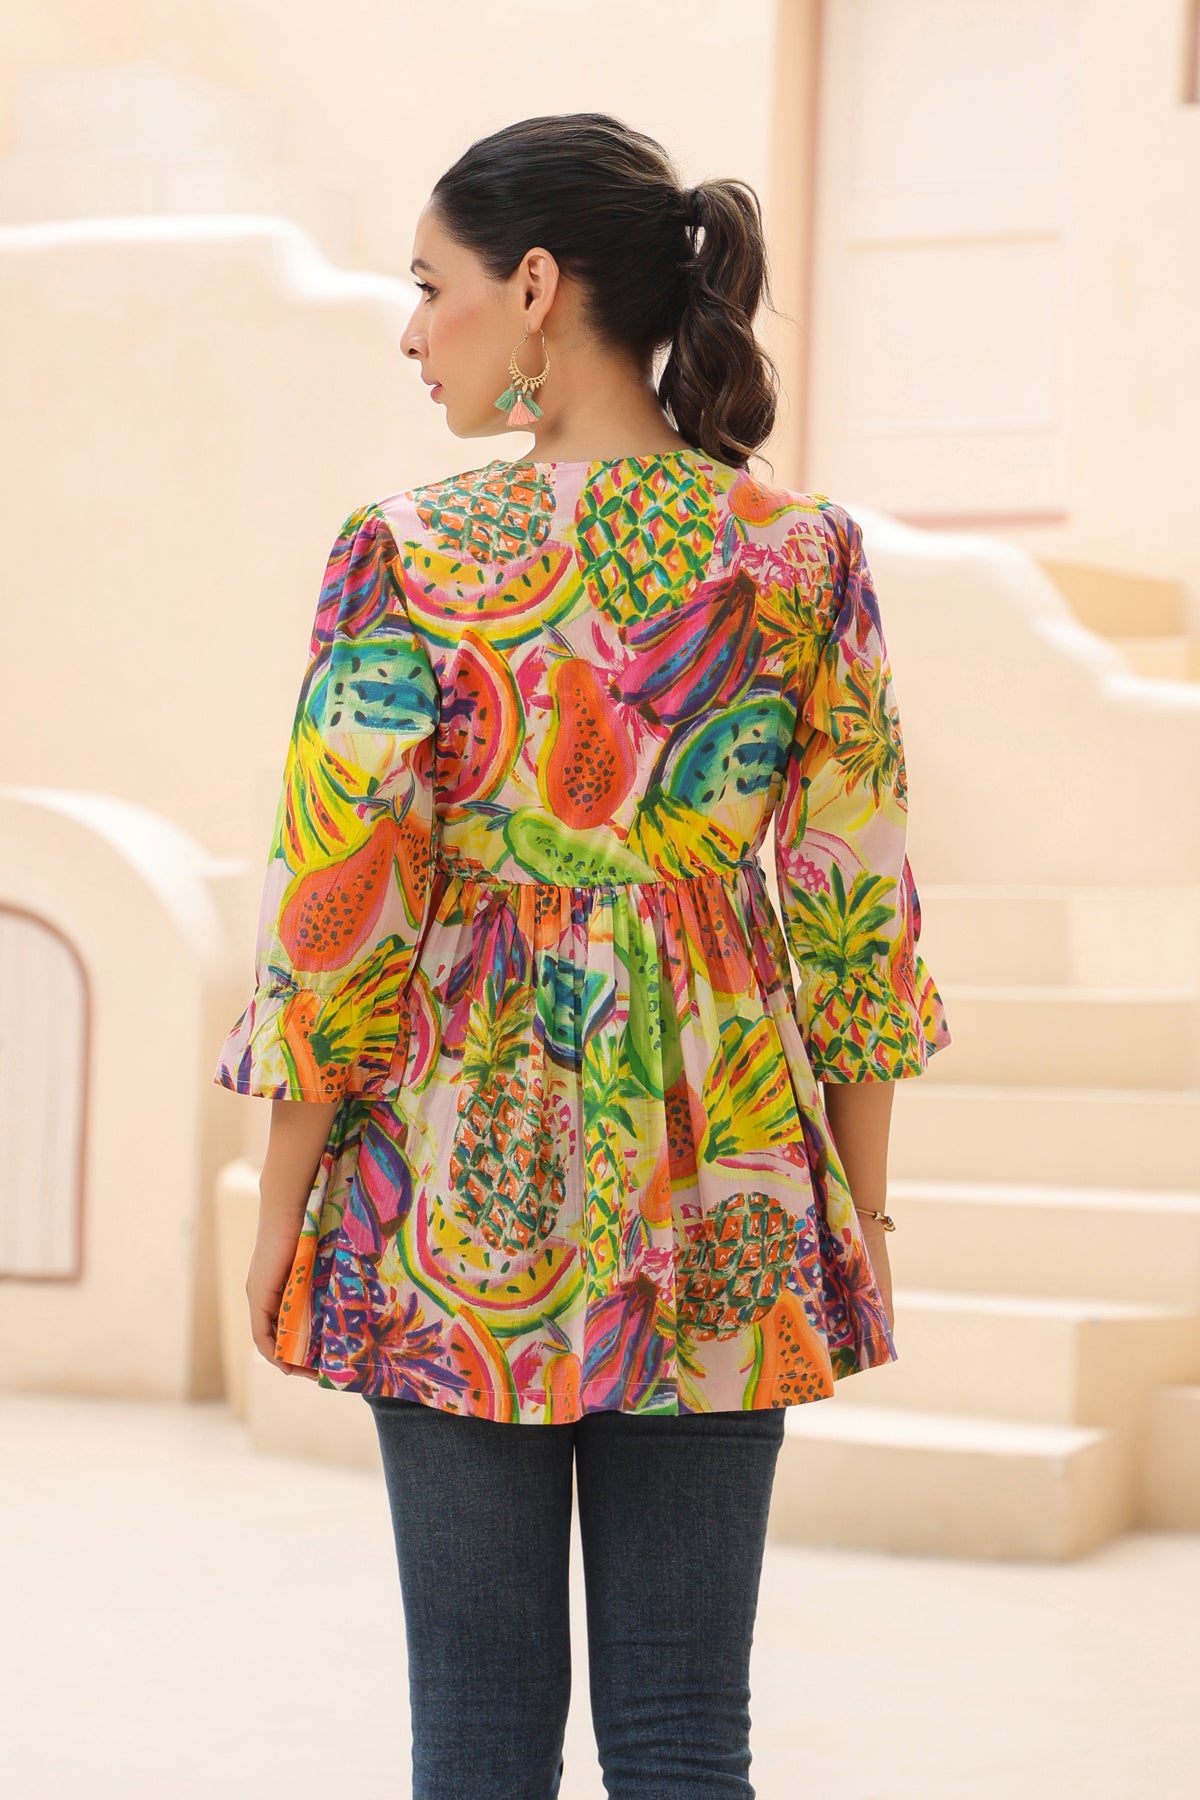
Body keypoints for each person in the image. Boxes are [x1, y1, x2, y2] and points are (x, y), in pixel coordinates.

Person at [213, 112, 952, 1800]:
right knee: (687, 1732)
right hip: (730, 1178)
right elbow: (854, 908)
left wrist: (282, 1204)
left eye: (433, 287)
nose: (413, 332)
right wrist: (857, 1207)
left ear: (536, 285)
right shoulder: (800, 552)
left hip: (447, 1188)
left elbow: (344, 903)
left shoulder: (404, 554)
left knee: (477, 1734)